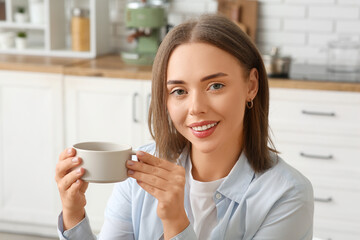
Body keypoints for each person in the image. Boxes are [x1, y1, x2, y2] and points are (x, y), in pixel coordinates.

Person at [55, 14, 314, 240]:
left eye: (215, 86)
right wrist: (73, 213)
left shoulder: (287, 195)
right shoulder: (136, 174)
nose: (195, 108)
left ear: (251, 85)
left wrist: (175, 222)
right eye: (179, 91)